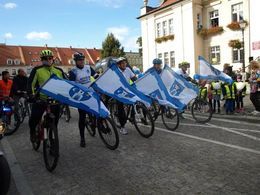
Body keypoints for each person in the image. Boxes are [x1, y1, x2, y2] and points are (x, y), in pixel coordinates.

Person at [27, 49, 67, 142]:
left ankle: (52, 140)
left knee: (54, 123)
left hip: (55, 100)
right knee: (34, 119)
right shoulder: (37, 70)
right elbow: (30, 84)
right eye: (45, 58)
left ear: (53, 59)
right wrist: (31, 95)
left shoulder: (58, 70)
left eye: (50, 58)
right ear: (42, 59)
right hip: (41, 99)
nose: (48, 60)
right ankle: (32, 131)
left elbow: (65, 84)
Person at [68, 52, 98, 147]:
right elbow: (72, 85)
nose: (81, 61)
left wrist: (99, 80)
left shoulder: (88, 68)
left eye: (82, 59)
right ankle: (82, 138)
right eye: (79, 60)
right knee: (82, 117)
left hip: (91, 93)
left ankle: (99, 124)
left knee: (99, 108)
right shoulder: (73, 71)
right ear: (76, 61)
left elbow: (96, 76)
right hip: (81, 97)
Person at [115, 57, 137, 135]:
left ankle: (132, 117)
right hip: (119, 92)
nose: (124, 64)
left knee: (135, 101)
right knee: (120, 108)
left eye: (125, 63)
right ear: (118, 65)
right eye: (122, 63)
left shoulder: (128, 69)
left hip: (127, 90)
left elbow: (134, 78)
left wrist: (137, 82)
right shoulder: (116, 72)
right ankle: (122, 127)